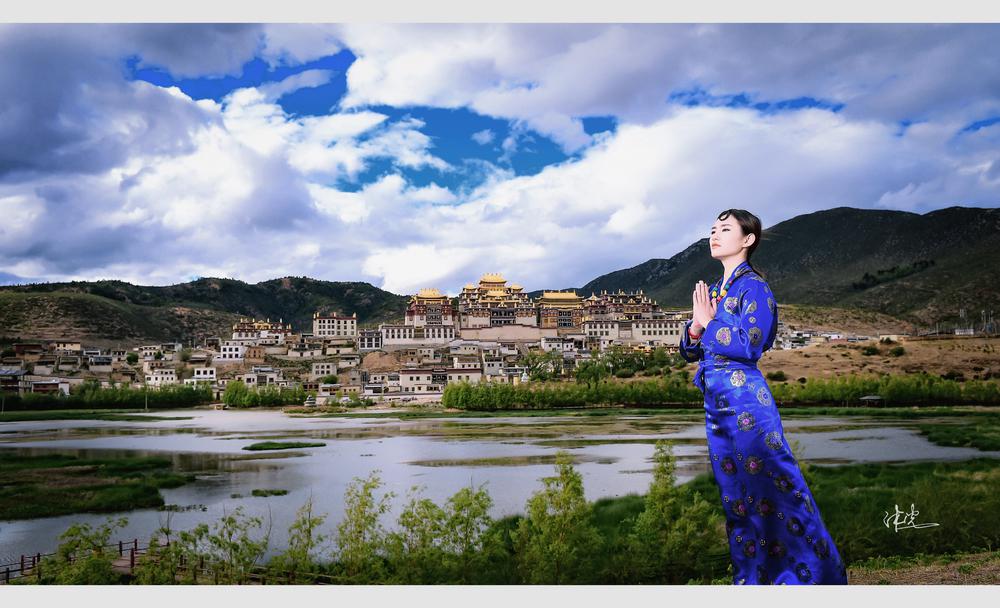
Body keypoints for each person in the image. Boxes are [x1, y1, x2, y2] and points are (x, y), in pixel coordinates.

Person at [678, 208, 848, 585]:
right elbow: (691, 350)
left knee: (776, 489)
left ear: (748, 239)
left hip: (747, 405)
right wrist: (695, 328)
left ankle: (815, 578)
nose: (714, 235)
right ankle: (753, 579)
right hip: (717, 406)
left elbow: (750, 344)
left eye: (725, 229)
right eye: (712, 229)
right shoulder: (716, 291)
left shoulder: (754, 288)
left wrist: (709, 323)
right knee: (737, 499)